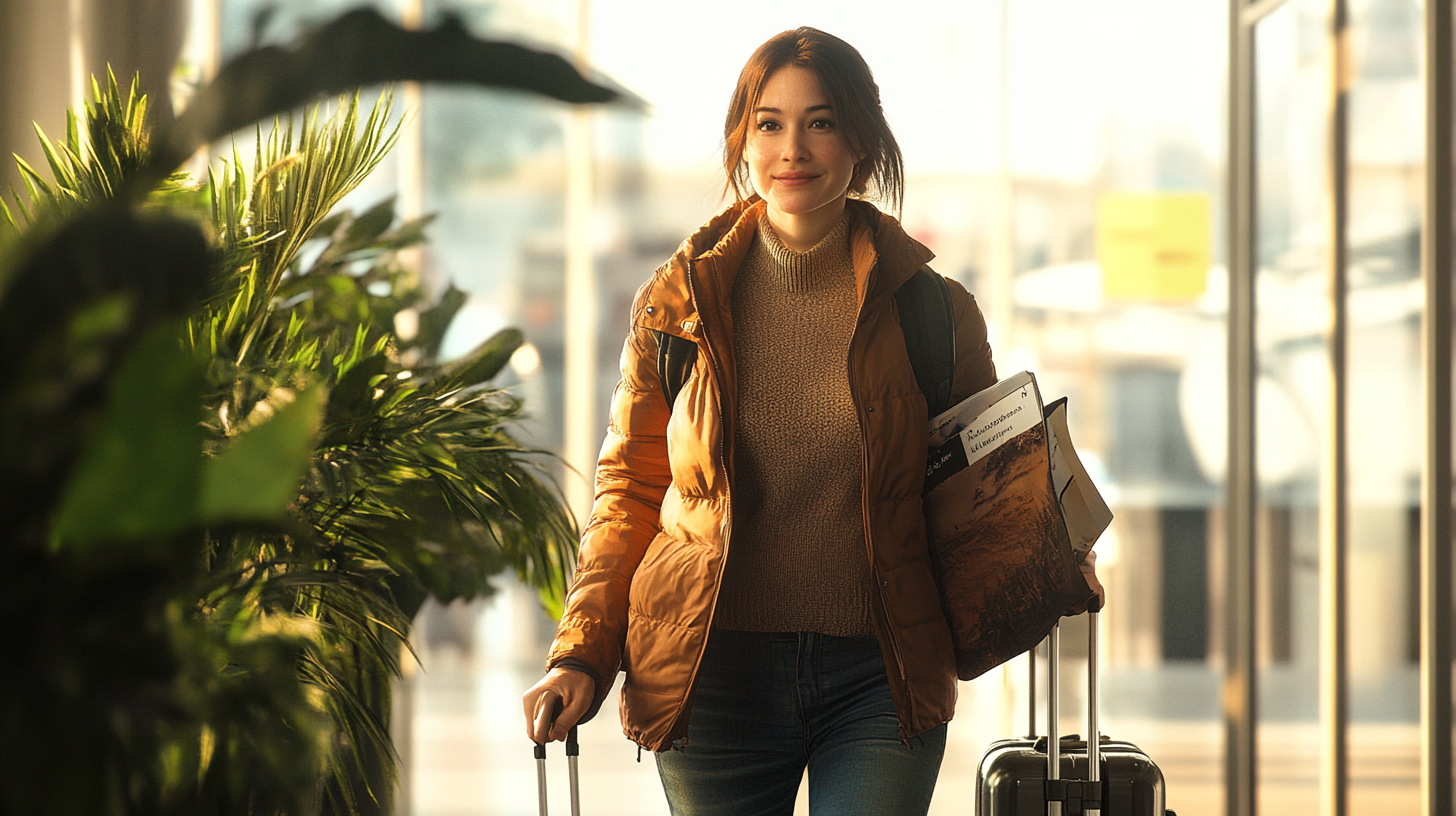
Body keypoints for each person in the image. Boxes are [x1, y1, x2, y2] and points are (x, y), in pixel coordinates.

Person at [522, 26, 1104, 815]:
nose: (792, 148)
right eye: (769, 123)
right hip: (711, 673)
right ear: (743, 140)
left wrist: (1047, 549)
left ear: (861, 141)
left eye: (820, 121)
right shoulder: (678, 305)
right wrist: (582, 654)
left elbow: (982, 484)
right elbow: (627, 491)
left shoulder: (933, 313)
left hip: (880, 674)